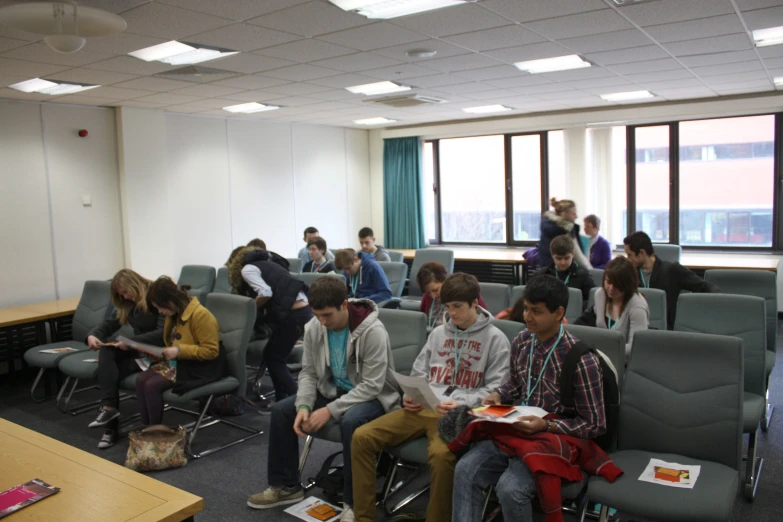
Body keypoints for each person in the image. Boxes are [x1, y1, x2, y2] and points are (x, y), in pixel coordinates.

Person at [351, 273, 511, 522]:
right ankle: (364, 517)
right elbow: (419, 371)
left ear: (474, 303)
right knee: (362, 436)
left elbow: (496, 390)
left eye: (457, 306)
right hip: (424, 406)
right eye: (447, 307)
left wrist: (462, 403)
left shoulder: (496, 339)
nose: (452, 313)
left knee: (441, 456)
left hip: (457, 414)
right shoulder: (438, 334)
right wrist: (411, 394)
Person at [452, 276, 606, 522]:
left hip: (554, 437)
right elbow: (516, 383)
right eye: (526, 308)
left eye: (537, 311)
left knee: (511, 488)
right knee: (464, 469)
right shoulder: (523, 341)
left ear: (559, 313)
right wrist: (498, 395)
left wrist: (547, 425)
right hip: (517, 429)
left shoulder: (581, 360)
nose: (527, 317)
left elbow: (595, 424)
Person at [247, 278, 401, 521]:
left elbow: (373, 386)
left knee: (351, 421)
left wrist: (329, 411)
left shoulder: (373, 331)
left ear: (344, 305)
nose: (322, 321)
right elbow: (308, 372)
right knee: (281, 411)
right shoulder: (314, 327)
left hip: (374, 396)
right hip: (334, 390)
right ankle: (287, 487)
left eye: (327, 315)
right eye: (317, 315)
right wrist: (304, 405)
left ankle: (354, 503)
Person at [86, 269, 165, 449]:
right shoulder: (128, 304)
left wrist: (130, 342)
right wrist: (93, 335)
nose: (126, 297)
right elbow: (108, 324)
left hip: (158, 352)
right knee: (106, 352)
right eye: (122, 295)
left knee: (105, 374)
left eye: (126, 292)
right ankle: (109, 409)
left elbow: (162, 333)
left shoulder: (156, 295)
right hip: (138, 349)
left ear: (135, 285)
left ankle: (110, 428)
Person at [229, 246, 313, 402]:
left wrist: (249, 309)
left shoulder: (247, 269)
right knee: (271, 356)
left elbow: (265, 292)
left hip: (293, 314)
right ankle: (281, 400)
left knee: (275, 359)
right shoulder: (268, 264)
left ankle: (300, 402)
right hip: (302, 311)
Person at [137, 277, 223, 427]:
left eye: (160, 307)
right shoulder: (174, 314)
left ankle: (154, 431)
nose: (160, 312)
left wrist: (178, 351)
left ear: (170, 301)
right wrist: (162, 352)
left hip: (199, 367)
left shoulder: (201, 315)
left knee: (152, 385)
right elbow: (174, 343)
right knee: (141, 380)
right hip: (180, 363)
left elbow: (211, 351)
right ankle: (147, 428)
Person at [623, 231, 719, 329]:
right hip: (637, 326)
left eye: (630, 255)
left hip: (665, 331)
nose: (627, 259)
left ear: (642, 253)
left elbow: (706, 287)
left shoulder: (672, 270)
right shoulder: (629, 274)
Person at [576, 257, 649, 358]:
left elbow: (636, 346)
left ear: (628, 285)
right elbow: (586, 322)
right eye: (608, 282)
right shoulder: (600, 295)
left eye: (617, 285)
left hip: (624, 362)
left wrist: (602, 351)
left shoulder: (637, 306)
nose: (611, 288)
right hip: (600, 356)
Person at [417, 261, 487, 330]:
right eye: (428, 292)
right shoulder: (427, 298)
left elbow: (483, 323)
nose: (433, 296)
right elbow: (422, 322)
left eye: (435, 290)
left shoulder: (466, 293)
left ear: (445, 280)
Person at [533, 234, 595, 306]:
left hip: (575, 315)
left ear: (573, 254)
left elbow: (591, 302)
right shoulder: (542, 275)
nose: (563, 262)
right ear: (552, 255)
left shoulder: (584, 275)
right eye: (558, 258)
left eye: (567, 258)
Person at [538, 198, 591, 269]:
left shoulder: (548, 227)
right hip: (562, 272)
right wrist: (591, 272)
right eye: (573, 213)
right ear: (563, 214)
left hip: (546, 270)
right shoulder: (565, 230)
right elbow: (580, 259)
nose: (576, 216)